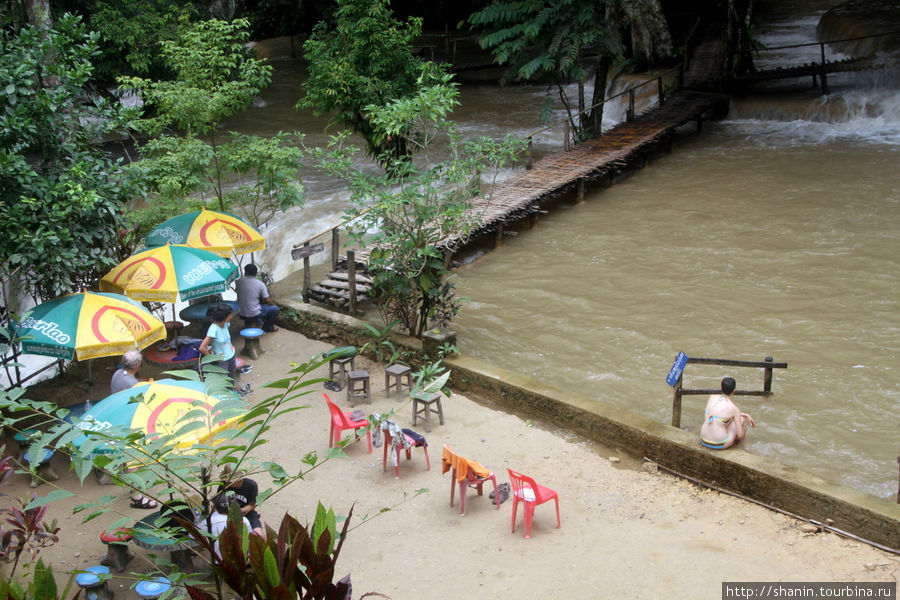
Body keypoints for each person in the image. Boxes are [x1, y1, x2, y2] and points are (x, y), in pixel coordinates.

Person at [699, 377, 755, 450]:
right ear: (734, 390)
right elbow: (740, 435)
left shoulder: (712, 397)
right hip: (719, 444)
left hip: (703, 439)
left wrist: (746, 414)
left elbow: (719, 413)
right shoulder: (734, 409)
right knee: (741, 420)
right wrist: (743, 416)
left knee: (720, 419)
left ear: (721, 388)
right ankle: (742, 446)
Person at [217, 466, 264, 538]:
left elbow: (252, 505)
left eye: (231, 482)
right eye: (228, 481)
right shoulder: (224, 484)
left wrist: (237, 512)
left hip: (247, 513)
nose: (230, 484)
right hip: (226, 514)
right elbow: (219, 502)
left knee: (259, 535)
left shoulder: (251, 485)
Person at [199, 303, 237, 385]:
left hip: (231, 356)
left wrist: (231, 346)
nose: (231, 316)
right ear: (224, 316)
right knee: (223, 383)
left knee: (231, 380)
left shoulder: (226, 324)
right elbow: (202, 348)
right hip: (221, 361)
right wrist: (213, 358)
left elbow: (226, 338)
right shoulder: (213, 329)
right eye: (230, 315)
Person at [235, 263, 279, 332]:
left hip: (241, 313)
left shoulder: (239, 281)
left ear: (245, 272)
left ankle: (260, 322)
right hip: (252, 313)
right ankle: (268, 327)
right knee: (275, 309)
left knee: (256, 306)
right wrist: (274, 305)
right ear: (256, 273)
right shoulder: (260, 284)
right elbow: (267, 300)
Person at [207, 491, 252, 558]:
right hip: (241, 561)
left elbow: (193, 537)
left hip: (219, 562)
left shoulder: (208, 521)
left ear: (214, 507)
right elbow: (250, 538)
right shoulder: (244, 520)